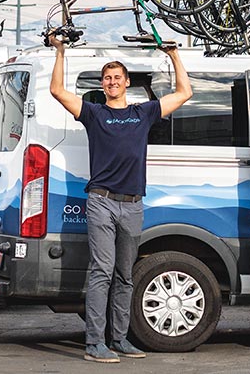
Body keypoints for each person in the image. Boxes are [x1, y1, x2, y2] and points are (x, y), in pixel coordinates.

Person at [47, 31, 192, 363]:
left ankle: (120, 339)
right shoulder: (95, 114)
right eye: (107, 78)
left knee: (125, 274)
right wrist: (59, 51)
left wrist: (173, 55)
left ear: (126, 82)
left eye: (116, 77)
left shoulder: (143, 113)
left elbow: (185, 92)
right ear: (103, 84)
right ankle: (95, 343)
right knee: (102, 270)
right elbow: (57, 90)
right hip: (101, 201)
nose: (111, 82)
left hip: (133, 204)